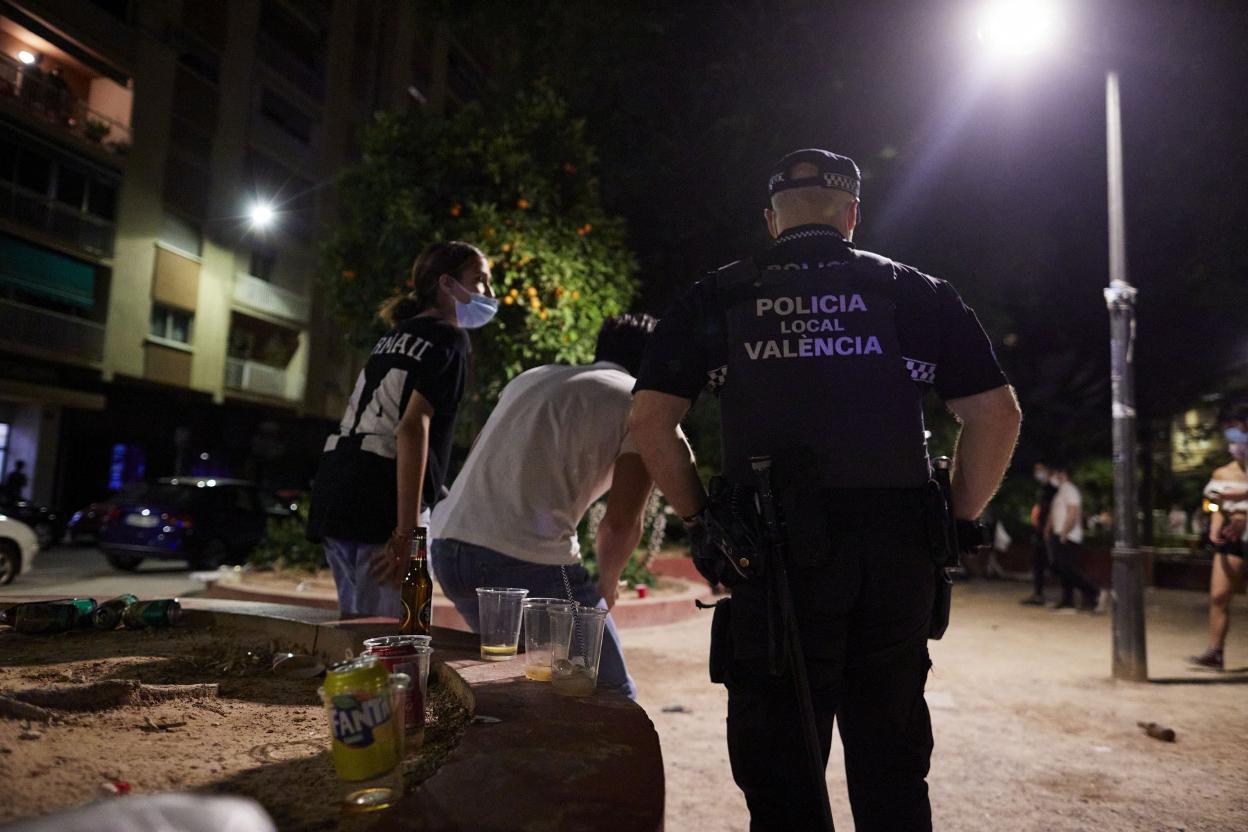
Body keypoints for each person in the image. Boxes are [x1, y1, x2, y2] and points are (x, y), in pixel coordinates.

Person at [628, 148, 1021, 831]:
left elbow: (650, 421)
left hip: (774, 560)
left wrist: (701, 524)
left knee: (782, 776)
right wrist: (953, 522)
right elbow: (997, 415)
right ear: (852, 215)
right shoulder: (916, 291)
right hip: (894, 558)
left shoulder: (717, 295)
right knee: (893, 770)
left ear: (772, 220)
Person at [429, 315, 658, 699]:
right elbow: (620, 523)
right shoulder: (643, 405)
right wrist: (608, 585)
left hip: (450, 548)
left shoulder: (534, 377)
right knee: (608, 690)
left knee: (527, 679)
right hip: (526, 561)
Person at [307, 241, 495, 618]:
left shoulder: (395, 335)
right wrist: (408, 534)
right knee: (396, 646)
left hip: (338, 492)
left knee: (357, 636)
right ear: (447, 284)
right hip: (382, 505)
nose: (489, 293)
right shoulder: (450, 338)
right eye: (480, 281)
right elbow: (411, 428)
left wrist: (436, 487)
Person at [1189, 407, 1248, 670]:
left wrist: (1240, 506)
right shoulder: (1222, 474)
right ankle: (1215, 652)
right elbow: (1211, 503)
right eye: (1232, 431)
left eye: (1240, 429)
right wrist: (1215, 523)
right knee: (1219, 595)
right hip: (1232, 539)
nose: (1236, 438)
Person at [1043, 464, 1108, 613]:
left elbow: (1072, 512)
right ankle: (1068, 601)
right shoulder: (1061, 491)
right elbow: (1055, 513)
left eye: (1055, 473)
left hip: (1069, 536)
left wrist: (1065, 532)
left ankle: (1095, 592)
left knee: (1067, 568)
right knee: (1061, 567)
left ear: (1062, 473)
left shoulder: (1070, 490)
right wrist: (1049, 529)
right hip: (1060, 534)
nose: (1052, 477)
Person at [1020, 461, 1059, 605]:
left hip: (1047, 533)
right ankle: (1038, 593)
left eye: (1040, 470)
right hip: (1040, 532)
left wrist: (1046, 529)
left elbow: (1052, 513)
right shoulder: (1043, 489)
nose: (1037, 473)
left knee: (1056, 564)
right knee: (1038, 563)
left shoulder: (1053, 490)